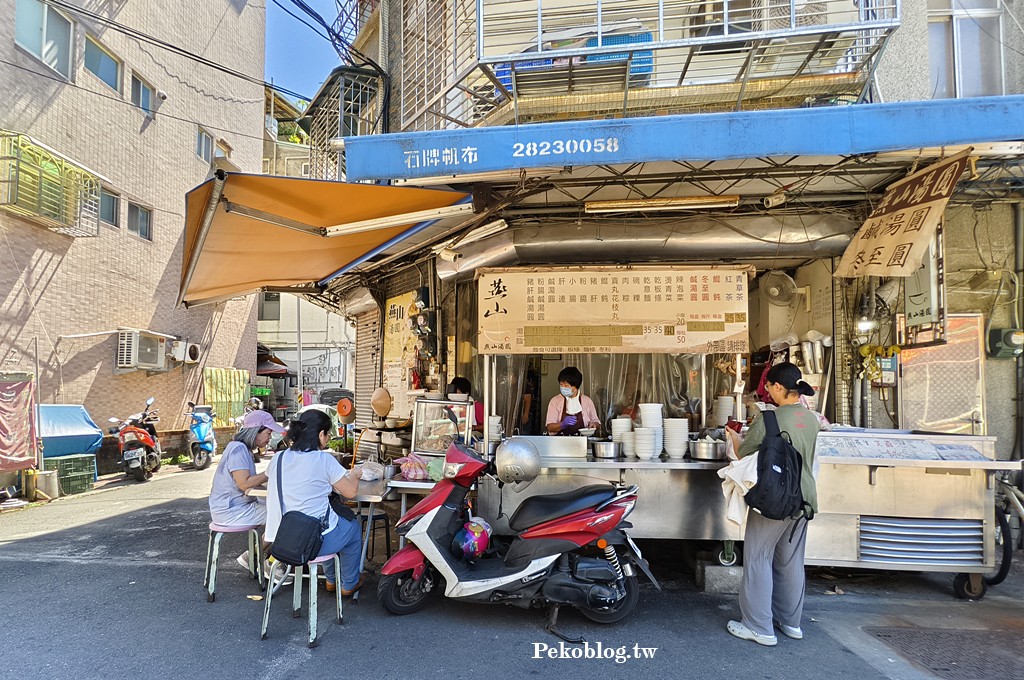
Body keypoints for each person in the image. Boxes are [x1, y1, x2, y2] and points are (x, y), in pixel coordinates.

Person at [726, 362, 819, 647]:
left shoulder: (770, 420)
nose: (766, 392)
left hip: (776, 499)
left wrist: (732, 435)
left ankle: (759, 627)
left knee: (758, 557)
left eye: (768, 387)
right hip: (804, 499)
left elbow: (745, 452)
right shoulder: (811, 418)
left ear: (779, 387)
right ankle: (790, 623)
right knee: (790, 561)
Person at [264, 408, 366, 595]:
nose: (327, 439)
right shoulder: (323, 460)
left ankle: (331, 580)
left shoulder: (278, 458)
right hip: (313, 543)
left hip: (282, 541)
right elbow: (350, 492)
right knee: (351, 528)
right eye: (327, 434)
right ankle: (348, 584)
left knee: (325, 520)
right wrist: (356, 475)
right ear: (320, 434)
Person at [208, 410, 283, 569]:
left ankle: (256, 555)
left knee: (279, 511)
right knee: (284, 517)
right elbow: (244, 484)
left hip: (236, 506)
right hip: (231, 510)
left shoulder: (243, 449)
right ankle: (261, 559)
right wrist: (270, 472)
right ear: (256, 431)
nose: (270, 437)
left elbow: (249, 484)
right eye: (268, 433)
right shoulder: (238, 449)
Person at [545, 366, 600, 435]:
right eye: (561, 385)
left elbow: (597, 422)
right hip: (560, 443)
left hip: (582, 442)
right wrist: (562, 424)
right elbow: (550, 427)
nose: (563, 388)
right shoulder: (555, 401)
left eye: (566, 385)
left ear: (576, 386)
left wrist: (594, 425)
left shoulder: (587, 401)